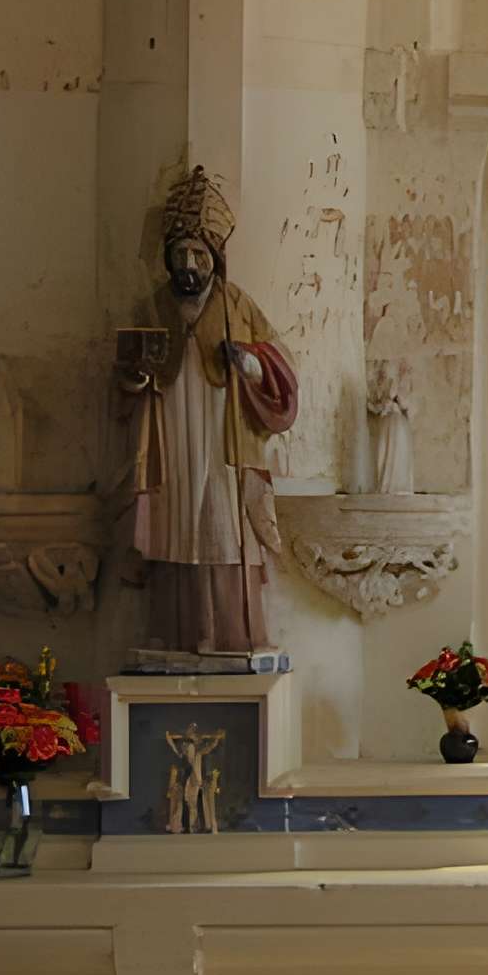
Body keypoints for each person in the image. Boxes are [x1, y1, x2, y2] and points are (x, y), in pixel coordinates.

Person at [116, 166, 299, 653]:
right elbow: (126, 377)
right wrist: (133, 378)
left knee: (224, 524)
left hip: (225, 437)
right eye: (182, 255)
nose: (190, 264)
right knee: (173, 525)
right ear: (169, 260)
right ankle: (175, 635)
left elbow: (280, 362)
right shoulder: (152, 309)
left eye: (199, 254)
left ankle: (232, 636)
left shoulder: (237, 304)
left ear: (215, 258)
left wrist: (251, 365)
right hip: (171, 433)